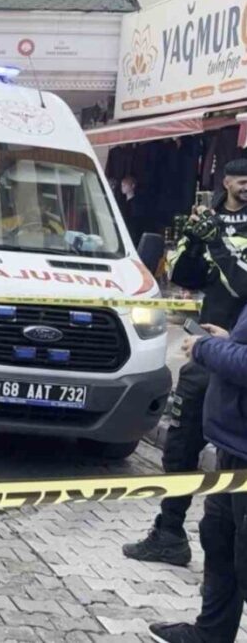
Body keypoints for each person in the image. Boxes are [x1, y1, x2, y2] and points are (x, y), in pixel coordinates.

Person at [124, 159, 247, 567]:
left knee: (235, 455)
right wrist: (195, 242)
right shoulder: (209, 216)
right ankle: (169, 532)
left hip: (240, 356)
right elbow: (183, 276)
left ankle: (231, 554)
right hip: (204, 350)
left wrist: (216, 245)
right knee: (180, 443)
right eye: (241, 179)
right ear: (226, 180)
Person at [148, 311, 247, 643]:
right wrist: (229, 340)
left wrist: (205, 348)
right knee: (219, 539)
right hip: (233, 449)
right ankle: (211, 635)